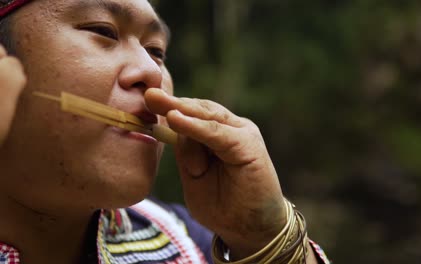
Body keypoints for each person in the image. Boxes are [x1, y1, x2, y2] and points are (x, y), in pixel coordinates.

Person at [0, 0, 330, 263]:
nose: (152, 72)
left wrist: (264, 238)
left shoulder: (189, 244)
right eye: (103, 30)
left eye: (156, 51)